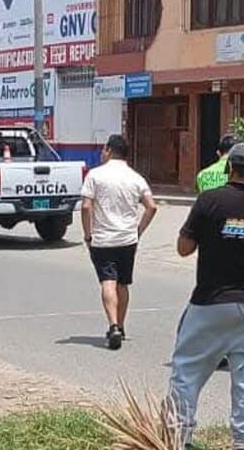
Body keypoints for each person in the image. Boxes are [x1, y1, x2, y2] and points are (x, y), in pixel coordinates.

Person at [168, 143, 244, 450]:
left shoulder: (210, 201)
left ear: (229, 169)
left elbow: (184, 248)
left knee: (187, 371)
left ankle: (178, 437)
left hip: (209, 302)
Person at [80, 134, 158, 350]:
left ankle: (113, 325)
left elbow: (86, 206)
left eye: (104, 150)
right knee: (123, 283)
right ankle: (121, 326)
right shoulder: (136, 178)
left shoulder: (95, 175)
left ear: (109, 150)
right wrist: (138, 230)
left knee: (108, 281)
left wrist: (88, 234)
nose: (102, 153)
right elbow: (151, 206)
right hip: (127, 239)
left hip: (103, 239)